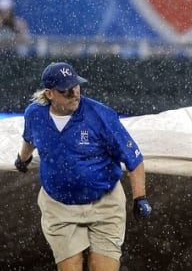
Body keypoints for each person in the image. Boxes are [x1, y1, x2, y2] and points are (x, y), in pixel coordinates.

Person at [14, 62, 152, 271]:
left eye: (76, 86)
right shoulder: (35, 114)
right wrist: (22, 158)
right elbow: (30, 138)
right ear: (49, 94)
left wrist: (139, 197)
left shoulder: (101, 115)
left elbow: (134, 159)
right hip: (58, 205)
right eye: (66, 90)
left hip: (105, 203)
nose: (74, 93)